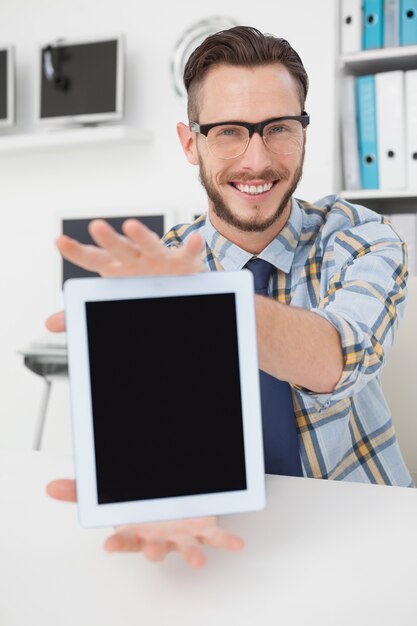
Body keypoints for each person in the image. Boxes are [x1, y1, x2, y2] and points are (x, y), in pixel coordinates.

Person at [46, 26, 413, 568]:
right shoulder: (162, 268)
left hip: (370, 533)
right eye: (229, 132)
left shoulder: (361, 236)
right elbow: (157, 428)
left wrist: (201, 307)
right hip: (228, 551)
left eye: (279, 128)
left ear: (304, 133)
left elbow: (340, 356)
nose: (256, 160)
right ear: (190, 141)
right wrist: (151, 489)